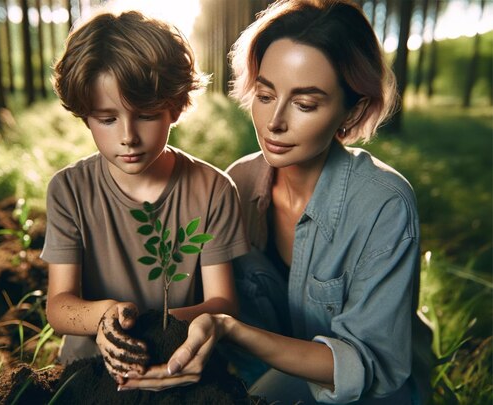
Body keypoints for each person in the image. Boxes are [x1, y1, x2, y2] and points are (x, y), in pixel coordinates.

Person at [118, 0, 434, 403]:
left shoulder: (384, 205)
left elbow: (368, 365)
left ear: (351, 112)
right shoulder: (238, 181)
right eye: (265, 95)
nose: (274, 122)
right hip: (261, 372)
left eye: (305, 104)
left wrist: (231, 330)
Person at [41, 10, 250, 383]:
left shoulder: (213, 189)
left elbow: (223, 303)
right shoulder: (68, 190)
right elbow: (59, 306)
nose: (128, 137)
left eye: (147, 115)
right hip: (88, 372)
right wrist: (104, 316)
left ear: (174, 107)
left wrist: (153, 325)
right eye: (107, 119)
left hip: (181, 365)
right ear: (84, 115)